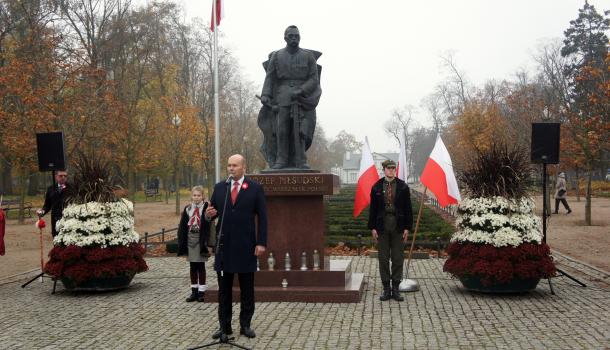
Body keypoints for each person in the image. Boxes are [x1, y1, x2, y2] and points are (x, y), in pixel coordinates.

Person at [205, 154, 267, 339]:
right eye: (229, 165)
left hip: (246, 246)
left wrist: (261, 243)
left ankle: (245, 325)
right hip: (224, 248)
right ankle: (224, 327)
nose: (231, 168)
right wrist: (209, 215)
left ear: (243, 167)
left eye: (234, 165)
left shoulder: (255, 189)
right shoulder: (219, 188)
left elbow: (263, 218)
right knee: (224, 290)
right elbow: (212, 214)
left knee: (247, 289)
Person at [260, 25, 322, 169]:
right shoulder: (277, 56)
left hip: (303, 99)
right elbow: (270, 77)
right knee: (282, 130)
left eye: (296, 36)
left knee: (300, 130)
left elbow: (314, 79)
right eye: (291, 36)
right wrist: (266, 95)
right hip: (282, 97)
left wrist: (301, 90)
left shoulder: (308, 56)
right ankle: (281, 159)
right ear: (285, 38)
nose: (294, 38)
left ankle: (301, 160)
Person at [368, 160, 413, 302]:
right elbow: (373, 210)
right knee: (383, 258)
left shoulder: (403, 187)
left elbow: (408, 209)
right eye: (389, 168)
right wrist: (373, 227)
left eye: (394, 168)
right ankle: (386, 288)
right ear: (384, 170)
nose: (392, 171)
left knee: (398, 258)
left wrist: (407, 227)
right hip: (382, 224)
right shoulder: (376, 187)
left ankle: (396, 288)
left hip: (398, 224)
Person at [177, 186, 211, 302]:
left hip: (200, 240)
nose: (196, 197)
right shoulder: (188, 209)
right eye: (194, 195)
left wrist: (208, 215)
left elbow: (209, 221)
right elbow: (183, 227)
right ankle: (194, 292)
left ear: (203, 196)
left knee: (201, 266)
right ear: (191, 196)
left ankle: (202, 292)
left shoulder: (206, 207)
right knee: (192, 266)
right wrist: (182, 243)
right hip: (190, 239)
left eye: (199, 195)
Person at [37, 170, 70, 237]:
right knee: (56, 240)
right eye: (61, 176)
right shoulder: (51, 189)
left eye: (65, 176)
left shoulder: (72, 188)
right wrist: (42, 211)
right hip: (55, 219)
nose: (63, 177)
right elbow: (47, 205)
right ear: (56, 177)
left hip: (68, 219)